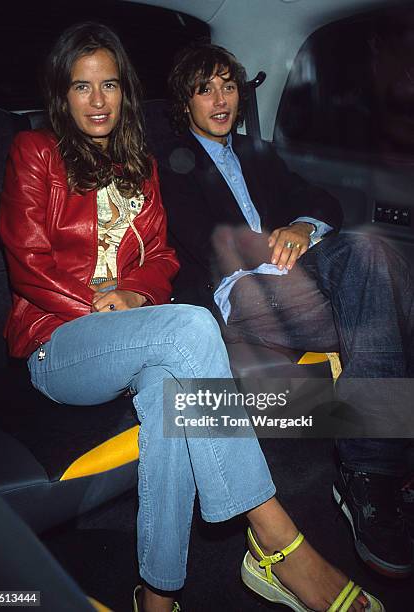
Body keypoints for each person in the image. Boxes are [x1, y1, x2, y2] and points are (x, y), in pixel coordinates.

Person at [0, 23, 383, 612]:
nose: (98, 101)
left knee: (175, 403)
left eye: (109, 86)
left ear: (126, 92)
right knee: (194, 324)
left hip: (135, 338)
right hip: (60, 339)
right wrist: (101, 304)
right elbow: (27, 262)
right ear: (62, 93)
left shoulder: (139, 167)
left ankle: (157, 598)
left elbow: (163, 258)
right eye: (82, 87)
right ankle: (275, 539)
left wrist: (137, 299)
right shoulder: (36, 152)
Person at [158, 41, 414, 582]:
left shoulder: (258, 152)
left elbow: (321, 201)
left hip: (299, 271)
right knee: (385, 301)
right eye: (205, 89)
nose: (220, 99)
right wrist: (270, 247)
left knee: (374, 253)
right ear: (185, 103)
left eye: (228, 86)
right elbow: (202, 240)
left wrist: (301, 226)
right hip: (240, 289)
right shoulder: (169, 163)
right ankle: (378, 465)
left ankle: (371, 465)